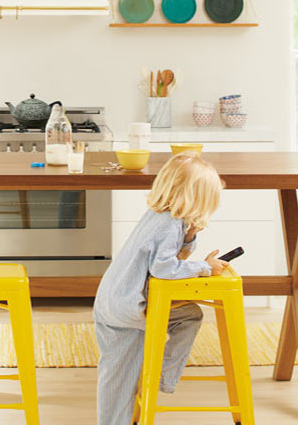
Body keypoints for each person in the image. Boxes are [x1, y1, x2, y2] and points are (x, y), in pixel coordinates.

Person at [93, 151, 228, 425]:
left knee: (117, 373)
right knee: (190, 316)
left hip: (112, 301)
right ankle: (163, 376)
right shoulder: (170, 225)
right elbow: (164, 269)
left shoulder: (158, 215)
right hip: (128, 307)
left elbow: (169, 259)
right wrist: (204, 267)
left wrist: (189, 237)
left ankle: (123, 412)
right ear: (195, 199)